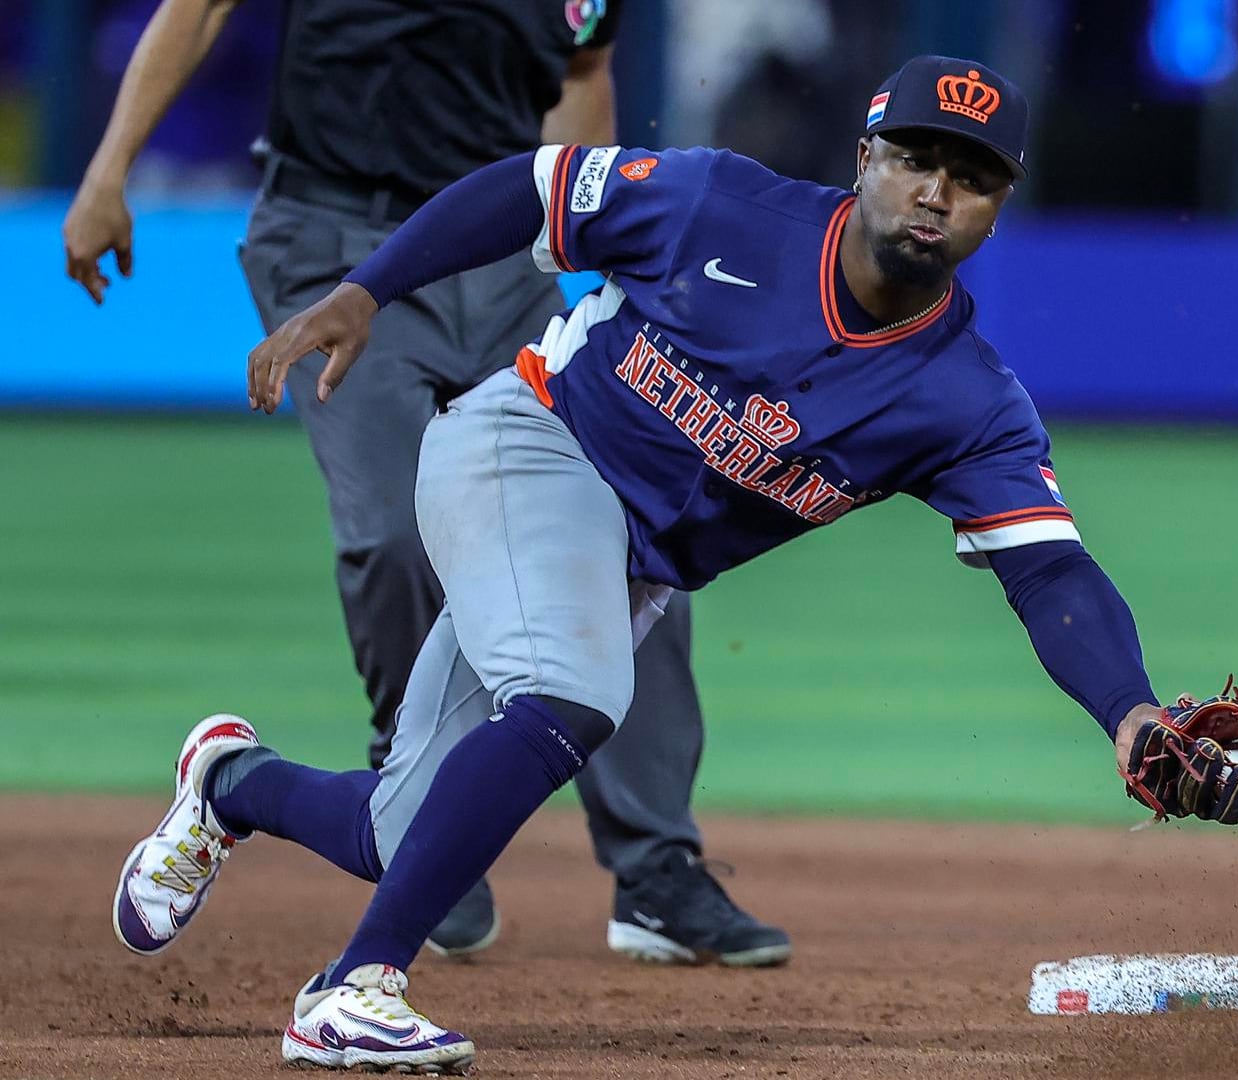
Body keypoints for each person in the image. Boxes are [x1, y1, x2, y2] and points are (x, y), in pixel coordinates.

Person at [109, 55, 1238, 1073]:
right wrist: (370, 291)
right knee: (575, 699)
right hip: (525, 445)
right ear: (866, 157)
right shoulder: (722, 207)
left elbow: (1049, 573)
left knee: (398, 829)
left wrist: (1129, 709)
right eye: (918, 158)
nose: (938, 191)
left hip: (622, 566)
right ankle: (354, 986)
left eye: (974, 176)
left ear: (999, 206)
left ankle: (227, 784)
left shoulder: (966, 402)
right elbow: (531, 189)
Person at [62, 0, 786, 964]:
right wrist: (109, 170)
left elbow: (580, 76)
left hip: (505, 243)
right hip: (334, 234)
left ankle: (654, 869)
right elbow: (197, 11)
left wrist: (612, 248)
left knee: (630, 543)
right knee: (395, 534)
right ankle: (419, 800)